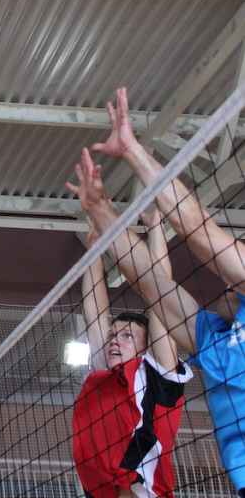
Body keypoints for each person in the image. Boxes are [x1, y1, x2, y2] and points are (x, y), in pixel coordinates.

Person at [72, 87, 245, 494]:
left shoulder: (170, 362)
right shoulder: (218, 339)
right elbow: (151, 281)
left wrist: (133, 151)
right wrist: (101, 212)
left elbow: (194, 226)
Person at [72, 213, 192, 498]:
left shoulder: (158, 376)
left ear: (146, 347)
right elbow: (95, 311)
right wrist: (94, 247)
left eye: (127, 336)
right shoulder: (105, 374)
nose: (115, 340)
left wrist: (155, 227)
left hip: (142, 489)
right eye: (114, 335)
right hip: (103, 488)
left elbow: (160, 294)